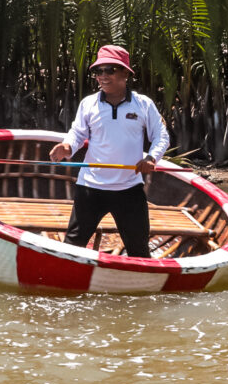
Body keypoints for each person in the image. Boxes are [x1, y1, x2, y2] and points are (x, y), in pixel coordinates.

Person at [49, 45, 169, 258]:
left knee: (139, 251)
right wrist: (67, 147)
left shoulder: (143, 105)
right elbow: (77, 134)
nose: (103, 76)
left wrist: (151, 158)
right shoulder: (89, 104)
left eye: (110, 70)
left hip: (129, 189)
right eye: (99, 71)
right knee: (72, 246)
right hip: (90, 187)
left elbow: (161, 136)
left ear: (126, 73)